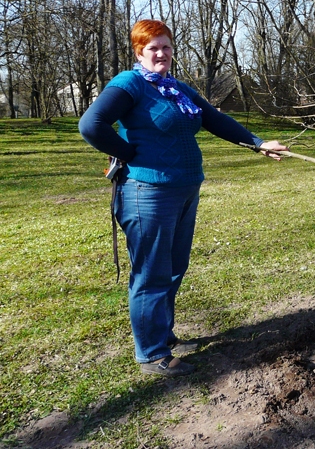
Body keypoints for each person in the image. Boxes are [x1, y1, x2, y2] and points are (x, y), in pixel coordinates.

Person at [79, 19, 287, 377]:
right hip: (148, 194)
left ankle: (162, 334)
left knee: (174, 268)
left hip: (184, 189)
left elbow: (214, 118)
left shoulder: (176, 88)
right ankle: (151, 354)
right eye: (153, 48)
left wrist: (256, 143)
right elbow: (91, 125)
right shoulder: (130, 85)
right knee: (151, 273)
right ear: (139, 52)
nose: (161, 53)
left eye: (166, 46)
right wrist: (129, 154)